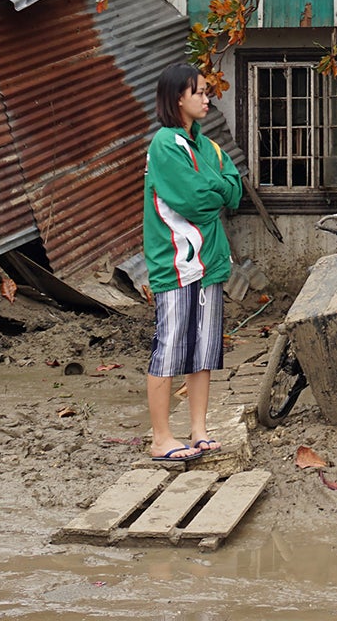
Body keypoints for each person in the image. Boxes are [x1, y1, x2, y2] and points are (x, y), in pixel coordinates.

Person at [142, 63, 243, 462]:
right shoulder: (165, 145)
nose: (206, 98)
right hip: (175, 262)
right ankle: (161, 437)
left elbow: (234, 192)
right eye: (198, 92)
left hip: (211, 263)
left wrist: (213, 185)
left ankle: (199, 430)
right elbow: (196, 202)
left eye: (206, 91)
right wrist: (215, 187)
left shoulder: (209, 146)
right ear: (177, 98)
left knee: (203, 351)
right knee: (169, 348)